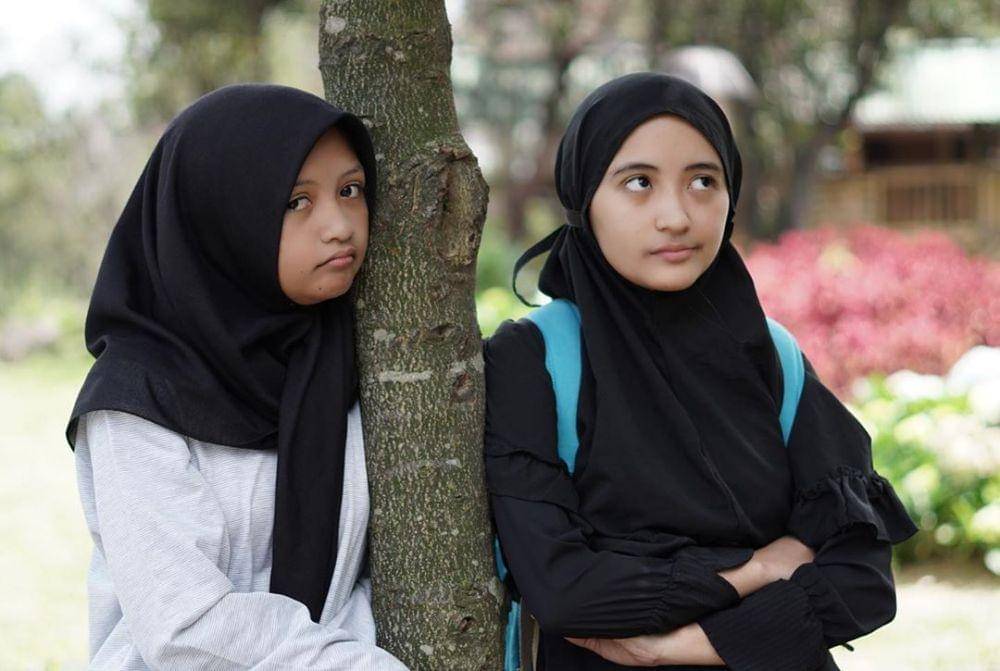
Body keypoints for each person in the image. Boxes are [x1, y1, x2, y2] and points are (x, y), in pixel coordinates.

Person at [484, 72, 917, 671]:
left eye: (703, 182)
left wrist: (676, 647)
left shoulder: (772, 355)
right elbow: (564, 590)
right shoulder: (534, 359)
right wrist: (761, 568)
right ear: (584, 197)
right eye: (638, 183)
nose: (676, 216)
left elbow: (861, 580)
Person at [67, 84, 407, 670]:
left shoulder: (348, 362)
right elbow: (185, 626)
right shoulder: (135, 400)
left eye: (350, 191)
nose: (339, 225)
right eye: (297, 201)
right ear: (220, 217)